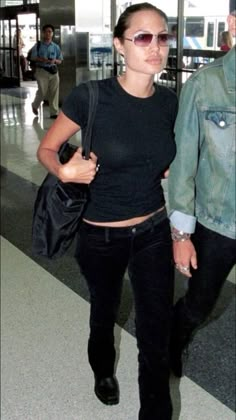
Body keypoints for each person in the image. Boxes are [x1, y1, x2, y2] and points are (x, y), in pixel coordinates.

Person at [36, 3, 178, 419]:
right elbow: (47, 149)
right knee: (104, 311)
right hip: (100, 234)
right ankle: (102, 370)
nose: (155, 47)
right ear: (120, 45)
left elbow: (160, 155)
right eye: (143, 37)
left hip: (153, 229)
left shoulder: (168, 103)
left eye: (163, 37)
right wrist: (63, 169)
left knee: (156, 333)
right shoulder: (91, 97)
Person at [168, 37, 236, 379]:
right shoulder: (204, 85)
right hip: (218, 224)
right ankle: (173, 340)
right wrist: (181, 234)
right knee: (198, 306)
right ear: (234, 25)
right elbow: (183, 163)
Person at [31, 24, 63, 119]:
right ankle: (35, 105)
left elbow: (60, 60)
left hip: (53, 71)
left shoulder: (56, 47)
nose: (48, 33)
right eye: (46, 31)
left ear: (52, 34)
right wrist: (42, 59)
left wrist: (54, 61)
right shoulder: (38, 45)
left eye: (50, 32)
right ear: (43, 33)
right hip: (42, 71)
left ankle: (54, 112)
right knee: (42, 91)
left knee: (54, 92)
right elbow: (33, 57)